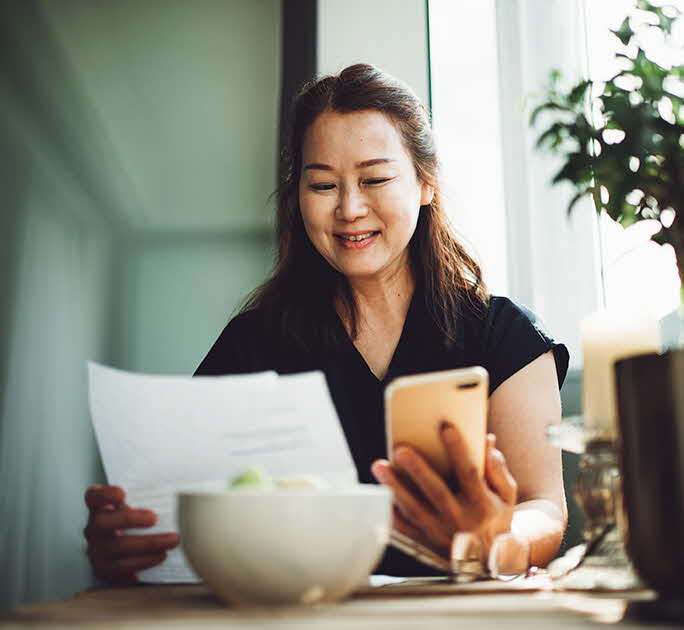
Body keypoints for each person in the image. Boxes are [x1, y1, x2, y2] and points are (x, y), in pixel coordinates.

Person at [84, 63, 569, 583]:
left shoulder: (505, 335)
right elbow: (186, 513)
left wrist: (501, 540)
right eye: (322, 186)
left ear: (426, 184)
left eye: (375, 179)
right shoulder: (252, 344)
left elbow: (544, 505)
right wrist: (132, 539)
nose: (350, 208)